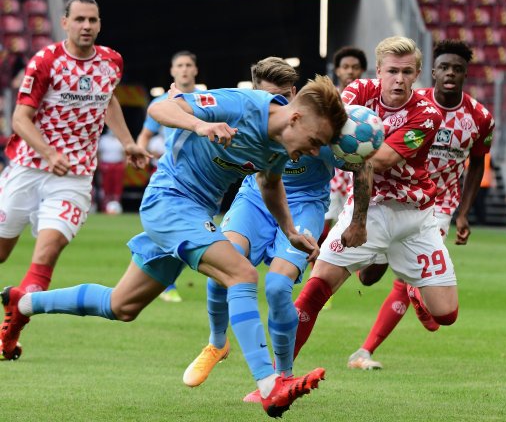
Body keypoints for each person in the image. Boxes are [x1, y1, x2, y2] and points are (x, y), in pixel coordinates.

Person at [1, 74, 347, 417]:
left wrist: (289, 230)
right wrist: (199, 124)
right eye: (316, 140)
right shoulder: (242, 106)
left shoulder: (280, 144)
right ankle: (270, 386)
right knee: (241, 273)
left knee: (121, 305)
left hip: (194, 212)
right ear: (297, 117)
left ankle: (24, 303)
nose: (315, 151)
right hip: (170, 200)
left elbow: (270, 184)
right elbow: (161, 108)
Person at [181, 57, 372, 403]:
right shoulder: (249, 115)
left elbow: (362, 165)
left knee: (279, 286)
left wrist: (359, 220)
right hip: (254, 199)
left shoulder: (321, 128)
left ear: (295, 94)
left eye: (285, 96)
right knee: (223, 263)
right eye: (269, 98)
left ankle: (283, 375)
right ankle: (217, 343)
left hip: (304, 207)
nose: (279, 107)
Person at [289, 36, 459, 369]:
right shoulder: (356, 94)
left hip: (417, 217)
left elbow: (377, 161)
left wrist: (333, 146)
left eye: (407, 72)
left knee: (446, 314)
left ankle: (412, 287)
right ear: (378, 71)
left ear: (417, 73)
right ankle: (276, 378)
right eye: (392, 71)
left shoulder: (427, 115)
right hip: (373, 204)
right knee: (317, 288)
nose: (399, 79)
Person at [0, 0, 149, 359]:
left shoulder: (111, 61)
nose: (87, 27)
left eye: (93, 20)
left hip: (75, 177)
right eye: (79, 20)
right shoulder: (45, 61)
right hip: (27, 168)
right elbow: (20, 118)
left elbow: (108, 98)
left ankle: (9, 334)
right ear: (64, 22)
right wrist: (50, 153)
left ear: (99, 24)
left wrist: (128, 142)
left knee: (47, 254)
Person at [346, 39, 495, 370]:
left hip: (438, 206)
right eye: (444, 67)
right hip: (396, 198)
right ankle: (403, 298)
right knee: (369, 278)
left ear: (466, 73)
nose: (450, 73)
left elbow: (478, 164)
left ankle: (365, 351)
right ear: (432, 72)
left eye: (457, 68)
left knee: (408, 281)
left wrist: (464, 213)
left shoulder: (480, 118)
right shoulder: (415, 105)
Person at [136, 51, 200, 303]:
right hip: (171, 177)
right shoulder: (162, 103)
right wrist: (142, 151)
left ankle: (159, 277)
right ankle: (167, 284)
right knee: (173, 229)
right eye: (179, 66)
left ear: (195, 70)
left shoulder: (207, 100)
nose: (184, 69)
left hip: (202, 180)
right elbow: (144, 136)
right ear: (172, 71)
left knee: (193, 231)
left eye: (188, 65)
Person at [317, 46, 368, 311]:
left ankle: (352, 264)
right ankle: (321, 276)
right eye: (345, 67)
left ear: (362, 70)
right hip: (333, 169)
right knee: (325, 222)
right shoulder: (330, 97)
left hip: (360, 170)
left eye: (355, 67)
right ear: (337, 70)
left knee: (354, 220)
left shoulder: (368, 100)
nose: (350, 71)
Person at [97, 128, 126, 214]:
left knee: (117, 186)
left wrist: (124, 164)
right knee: (106, 186)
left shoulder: (120, 138)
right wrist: (99, 164)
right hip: (106, 165)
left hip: (118, 164)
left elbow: (124, 153)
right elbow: (99, 153)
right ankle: (104, 206)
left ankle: (117, 204)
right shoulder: (104, 139)